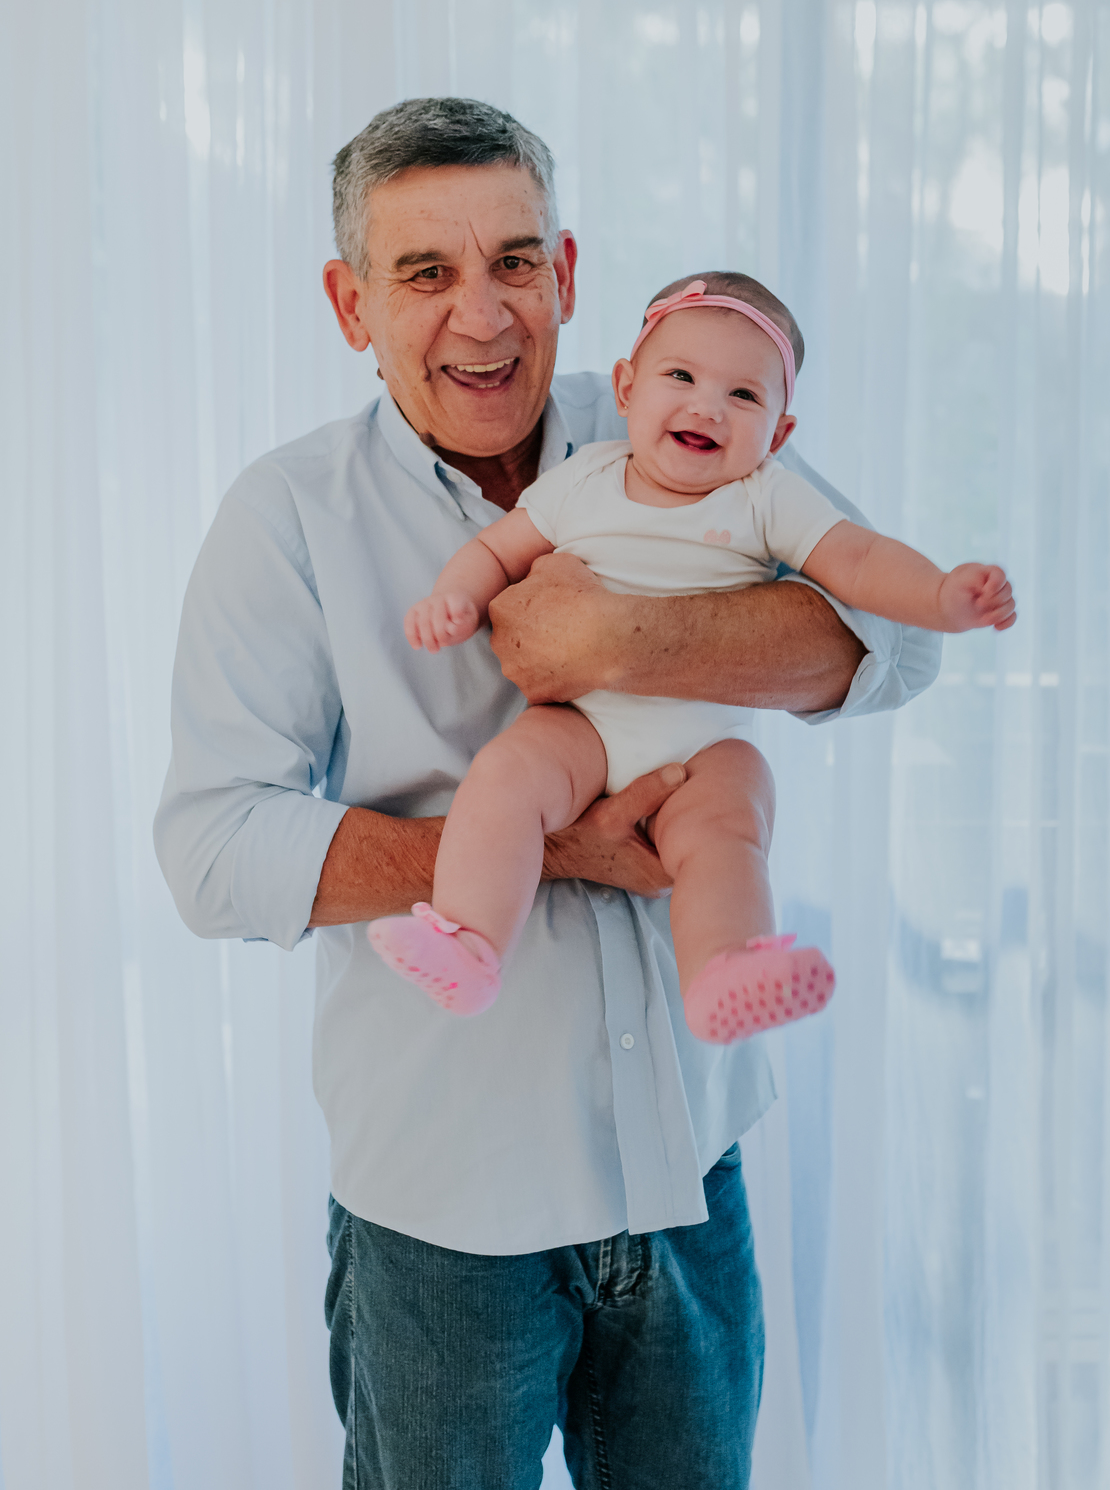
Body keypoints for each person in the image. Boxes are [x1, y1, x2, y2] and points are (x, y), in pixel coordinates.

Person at [154, 96, 942, 1490]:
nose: (485, 315)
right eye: (425, 273)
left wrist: (622, 638)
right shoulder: (287, 517)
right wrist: (557, 847)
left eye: (515, 262)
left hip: (689, 1178)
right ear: (351, 304)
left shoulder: (690, 411)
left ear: (569, 275)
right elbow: (214, 848)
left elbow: (897, 638)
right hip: (444, 1222)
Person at [376, 275, 1014, 1042]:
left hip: (704, 744)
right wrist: (457, 599)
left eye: (744, 395)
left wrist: (943, 596)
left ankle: (728, 971)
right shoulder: (585, 478)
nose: (708, 406)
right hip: (581, 726)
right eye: (680, 376)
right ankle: (471, 942)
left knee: (728, 829)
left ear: (779, 433)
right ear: (626, 386)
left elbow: (861, 561)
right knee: (503, 781)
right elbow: (497, 548)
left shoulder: (764, 497)